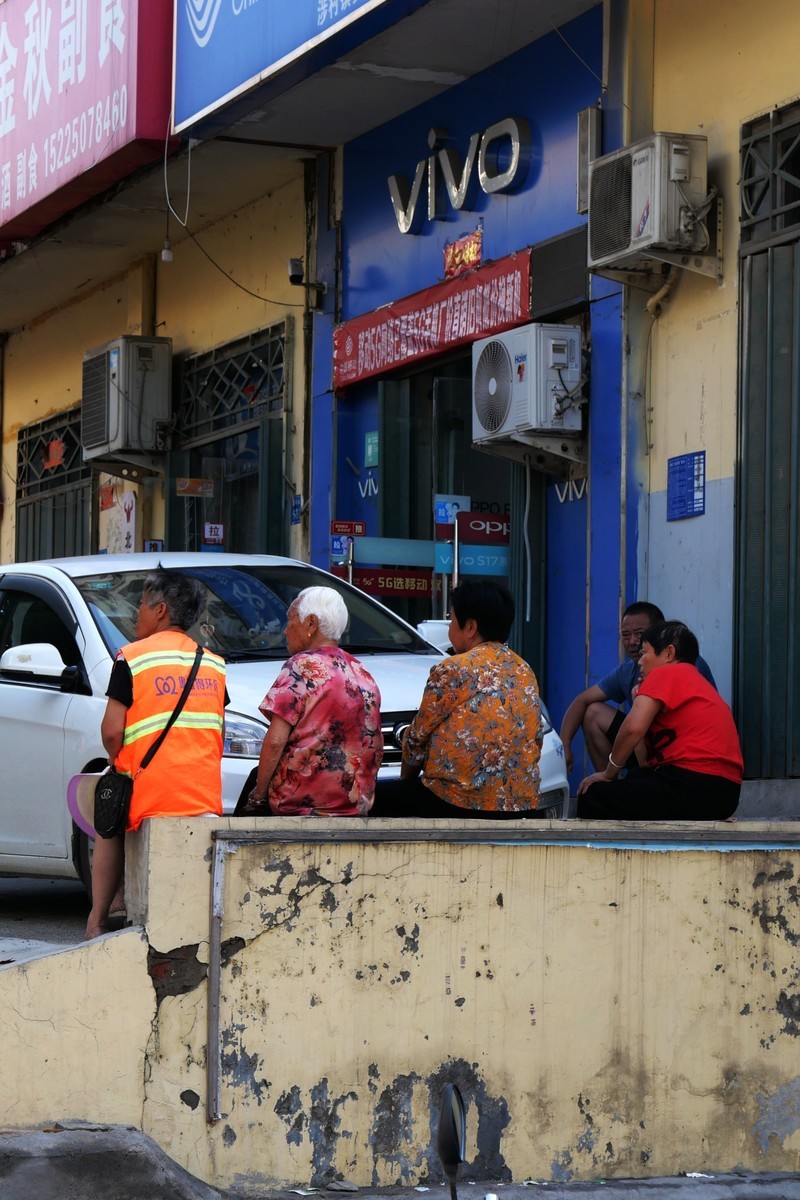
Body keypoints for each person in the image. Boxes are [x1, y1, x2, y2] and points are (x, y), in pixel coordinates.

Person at [85, 567, 226, 939]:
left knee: (108, 812)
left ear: (160, 610)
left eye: (141, 606)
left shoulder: (131, 658)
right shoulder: (213, 663)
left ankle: (98, 918)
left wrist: (120, 765)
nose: (136, 615)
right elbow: (217, 731)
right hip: (204, 795)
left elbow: (111, 731)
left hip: (153, 794)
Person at [372, 580, 542, 819]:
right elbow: (536, 740)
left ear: (470, 626)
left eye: (452, 620)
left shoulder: (453, 669)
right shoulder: (524, 670)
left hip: (457, 803)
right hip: (521, 804)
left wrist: (406, 780)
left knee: (373, 800)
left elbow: (416, 741)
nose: (450, 627)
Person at [576, 620, 742, 821]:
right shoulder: (698, 682)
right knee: (636, 776)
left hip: (693, 784)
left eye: (645, 653)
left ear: (669, 654)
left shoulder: (666, 673)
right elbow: (645, 762)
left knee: (592, 795)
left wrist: (608, 773)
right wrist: (638, 701)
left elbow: (631, 730)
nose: (639, 661)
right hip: (726, 796)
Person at [242, 586, 382, 817]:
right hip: (352, 806)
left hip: (299, 805)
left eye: (290, 621)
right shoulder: (362, 671)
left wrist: (258, 796)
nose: (286, 631)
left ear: (311, 624)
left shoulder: (301, 665)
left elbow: (276, 741)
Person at [559, 601, 715, 774]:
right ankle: (610, 788)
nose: (633, 642)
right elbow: (582, 699)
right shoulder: (629, 670)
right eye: (626, 635)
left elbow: (636, 729)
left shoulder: (685, 665)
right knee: (593, 712)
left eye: (640, 634)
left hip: (686, 754)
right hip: (650, 745)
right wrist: (564, 744)